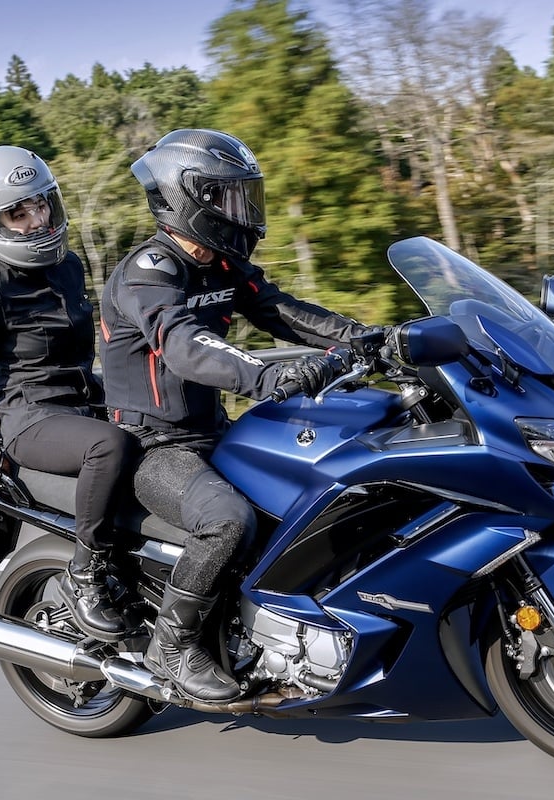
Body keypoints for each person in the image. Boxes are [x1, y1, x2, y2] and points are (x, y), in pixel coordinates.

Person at [100, 129, 375, 702]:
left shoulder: (222, 264)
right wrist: (267, 377)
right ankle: (172, 644)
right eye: (228, 197)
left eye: (245, 196)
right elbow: (184, 344)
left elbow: (281, 311)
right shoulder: (149, 272)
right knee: (228, 520)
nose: (242, 210)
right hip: (152, 446)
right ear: (187, 198)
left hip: (213, 434)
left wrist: (368, 337)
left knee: (314, 493)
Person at [0, 145, 138, 642]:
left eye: (41, 205)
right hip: (34, 418)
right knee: (109, 446)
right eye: (19, 214)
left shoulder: (68, 266)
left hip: (86, 403)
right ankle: (87, 574)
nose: (38, 220)